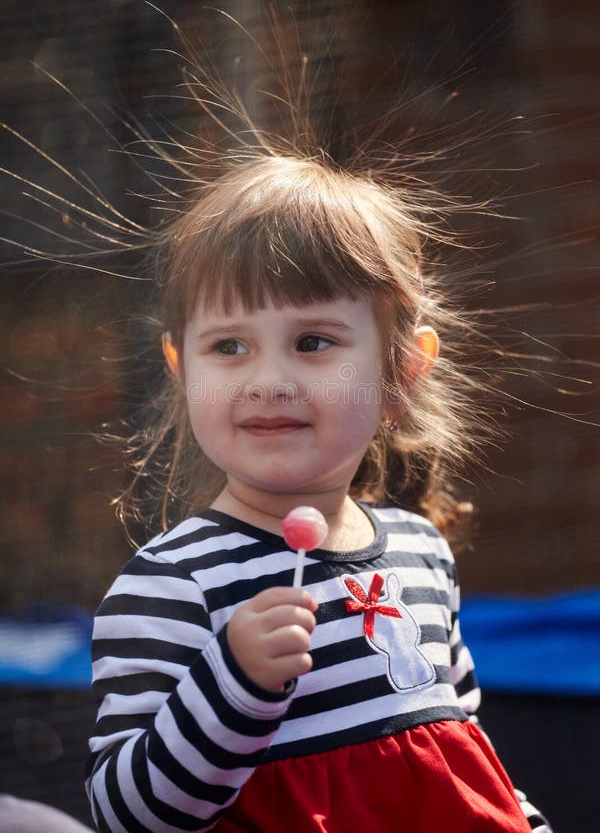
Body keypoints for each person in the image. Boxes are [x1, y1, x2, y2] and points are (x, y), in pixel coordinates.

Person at [84, 146, 553, 833]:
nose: (268, 379)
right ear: (181, 370)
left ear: (400, 371)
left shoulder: (422, 553)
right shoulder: (173, 585)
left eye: (311, 342)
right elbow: (126, 816)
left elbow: (467, 760)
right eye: (230, 347)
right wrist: (232, 683)